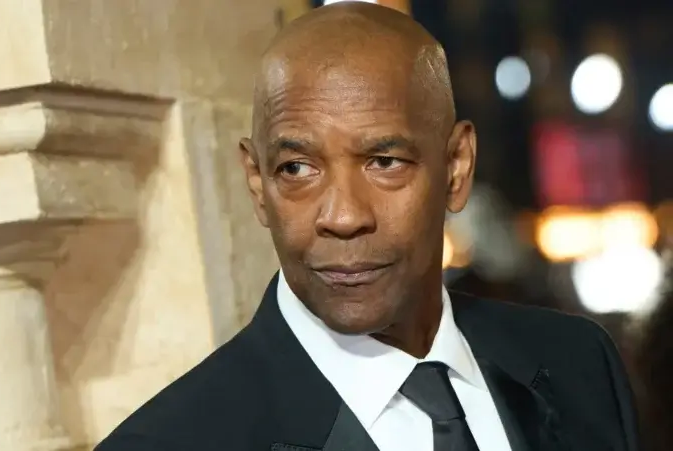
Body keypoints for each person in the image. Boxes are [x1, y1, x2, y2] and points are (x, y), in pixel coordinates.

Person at [96, 2, 640, 450]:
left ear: (456, 167)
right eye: (297, 169)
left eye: (384, 162)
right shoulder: (171, 441)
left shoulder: (579, 364)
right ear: (257, 184)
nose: (342, 216)